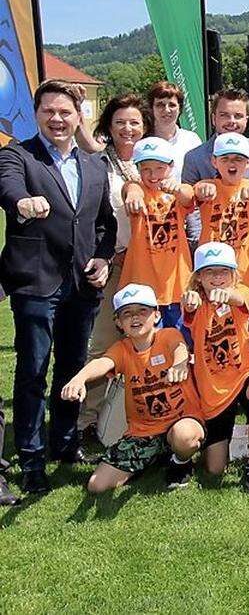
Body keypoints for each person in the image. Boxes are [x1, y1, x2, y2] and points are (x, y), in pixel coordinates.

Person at [0, 79, 117, 496]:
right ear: (36, 115)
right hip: (36, 282)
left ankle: (64, 444)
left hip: (81, 287)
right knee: (33, 370)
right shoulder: (17, 155)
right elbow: (7, 186)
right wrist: (21, 203)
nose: (57, 118)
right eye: (48, 111)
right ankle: (31, 459)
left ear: (78, 116)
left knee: (71, 369)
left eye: (65, 112)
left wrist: (103, 259)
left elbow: (106, 224)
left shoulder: (93, 164)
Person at [59, 284, 204, 493]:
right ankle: (153, 457)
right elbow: (103, 363)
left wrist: (179, 364)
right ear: (118, 322)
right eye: (127, 313)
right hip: (143, 431)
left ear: (155, 315)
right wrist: (79, 378)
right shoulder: (122, 349)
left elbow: (180, 348)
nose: (135, 318)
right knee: (96, 486)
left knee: (184, 437)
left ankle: (180, 461)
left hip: (181, 419)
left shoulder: (168, 335)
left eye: (142, 311)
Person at [77, 94, 150, 456]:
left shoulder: (154, 163)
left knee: (147, 344)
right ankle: (89, 422)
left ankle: (141, 419)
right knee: (105, 343)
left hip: (150, 267)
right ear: (108, 125)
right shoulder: (94, 164)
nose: (128, 128)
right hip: (113, 263)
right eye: (121, 121)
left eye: (135, 122)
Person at [182, 241, 249, 496]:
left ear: (234, 274)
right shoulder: (194, 301)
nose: (218, 278)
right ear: (199, 277)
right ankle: (243, 435)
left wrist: (228, 295)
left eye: (223, 271)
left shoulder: (241, 291)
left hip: (244, 371)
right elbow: (188, 309)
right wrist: (190, 303)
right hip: (214, 388)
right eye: (210, 272)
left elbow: (239, 298)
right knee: (214, 468)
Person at [182, 89, 249, 242]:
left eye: (238, 116)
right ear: (214, 119)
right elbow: (191, 207)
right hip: (210, 247)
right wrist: (198, 244)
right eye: (224, 115)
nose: (232, 121)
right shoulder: (194, 157)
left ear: (246, 119)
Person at [120, 137, 194, 332]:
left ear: (171, 166)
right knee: (147, 341)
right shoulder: (137, 191)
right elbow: (129, 188)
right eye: (146, 169)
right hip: (144, 285)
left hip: (177, 286)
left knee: (181, 340)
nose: (153, 175)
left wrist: (179, 189)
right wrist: (133, 191)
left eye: (160, 168)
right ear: (138, 169)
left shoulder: (177, 193)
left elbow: (189, 196)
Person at [193, 133, 249, 303]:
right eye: (225, 158)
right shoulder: (207, 185)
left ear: (248, 163)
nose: (232, 163)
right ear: (214, 162)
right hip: (213, 277)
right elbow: (196, 191)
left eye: (238, 158)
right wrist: (202, 191)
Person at [147, 81, 203, 180]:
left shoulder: (192, 140)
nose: (167, 110)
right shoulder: (143, 140)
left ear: (180, 108)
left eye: (172, 105)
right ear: (151, 108)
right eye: (160, 105)